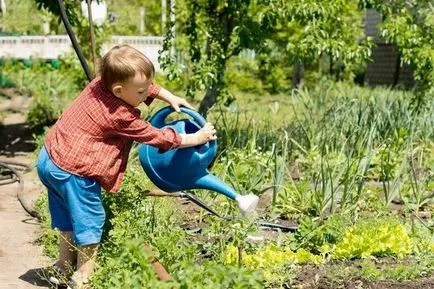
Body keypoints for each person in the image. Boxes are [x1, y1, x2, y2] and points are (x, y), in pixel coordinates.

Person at [35, 44, 218, 289]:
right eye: (142, 93)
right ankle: (83, 276)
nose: (146, 97)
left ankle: (62, 265)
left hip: (49, 159)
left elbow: (141, 84)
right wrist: (197, 138)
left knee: (66, 213)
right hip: (73, 172)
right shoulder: (119, 114)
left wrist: (169, 96)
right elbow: (155, 136)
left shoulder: (99, 84)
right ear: (119, 90)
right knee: (90, 219)